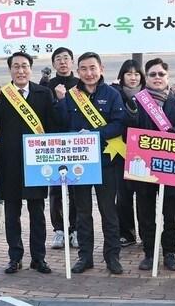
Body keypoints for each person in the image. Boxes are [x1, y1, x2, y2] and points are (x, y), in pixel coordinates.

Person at [0, 51, 62, 274]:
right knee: (12, 213)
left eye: (24, 66)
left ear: (31, 68)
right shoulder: (3, 94)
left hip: (37, 163)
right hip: (9, 163)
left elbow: (52, 125)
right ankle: (14, 257)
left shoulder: (43, 93)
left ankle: (39, 258)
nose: (20, 70)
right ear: (10, 70)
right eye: (16, 66)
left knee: (37, 212)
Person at [54, 51, 129, 275]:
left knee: (109, 212)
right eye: (84, 69)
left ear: (101, 69)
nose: (89, 73)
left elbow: (119, 123)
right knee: (83, 213)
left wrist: (94, 134)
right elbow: (61, 124)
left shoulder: (113, 94)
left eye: (92, 68)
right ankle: (85, 257)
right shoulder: (70, 96)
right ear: (78, 72)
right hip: (80, 164)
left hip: (106, 161)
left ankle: (112, 257)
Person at [126, 57, 175, 271]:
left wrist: (174, 135)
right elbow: (131, 129)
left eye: (160, 74)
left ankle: (170, 253)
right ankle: (149, 252)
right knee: (145, 212)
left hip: (170, 165)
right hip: (143, 166)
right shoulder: (137, 100)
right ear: (147, 78)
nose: (157, 78)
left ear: (167, 76)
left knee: (170, 212)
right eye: (152, 74)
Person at [41, 46, 80, 250]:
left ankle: (74, 230)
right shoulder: (47, 86)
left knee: (75, 188)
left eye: (66, 58)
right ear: (54, 63)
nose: (63, 62)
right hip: (54, 143)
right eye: (58, 59)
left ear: (72, 62)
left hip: (76, 144)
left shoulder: (80, 84)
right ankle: (59, 230)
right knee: (55, 188)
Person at [113, 59, 144, 246]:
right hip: (120, 150)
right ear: (122, 76)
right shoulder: (115, 94)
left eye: (137, 74)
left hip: (143, 154)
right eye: (129, 74)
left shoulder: (149, 95)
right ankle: (127, 232)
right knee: (123, 196)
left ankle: (146, 233)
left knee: (143, 196)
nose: (133, 78)